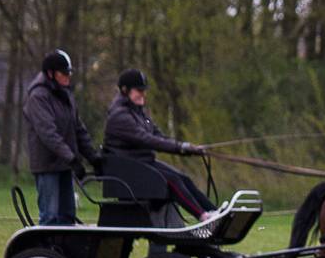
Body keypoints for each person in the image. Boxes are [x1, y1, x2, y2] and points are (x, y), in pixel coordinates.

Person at [103, 69, 216, 221]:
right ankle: (202, 216)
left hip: (142, 163)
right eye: (139, 90)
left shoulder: (139, 113)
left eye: (144, 90)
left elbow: (159, 136)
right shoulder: (120, 116)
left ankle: (213, 211)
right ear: (125, 90)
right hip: (129, 168)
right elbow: (147, 139)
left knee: (183, 178)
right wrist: (180, 147)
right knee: (171, 181)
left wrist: (187, 148)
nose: (143, 94)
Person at [23, 49, 101, 225]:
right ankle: (46, 251)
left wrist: (93, 157)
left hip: (64, 165)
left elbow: (78, 128)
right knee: (50, 216)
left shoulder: (65, 94)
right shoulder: (38, 97)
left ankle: (65, 251)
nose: (68, 77)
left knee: (67, 215)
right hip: (48, 166)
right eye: (64, 73)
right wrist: (72, 159)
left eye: (69, 73)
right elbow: (48, 134)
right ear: (51, 74)